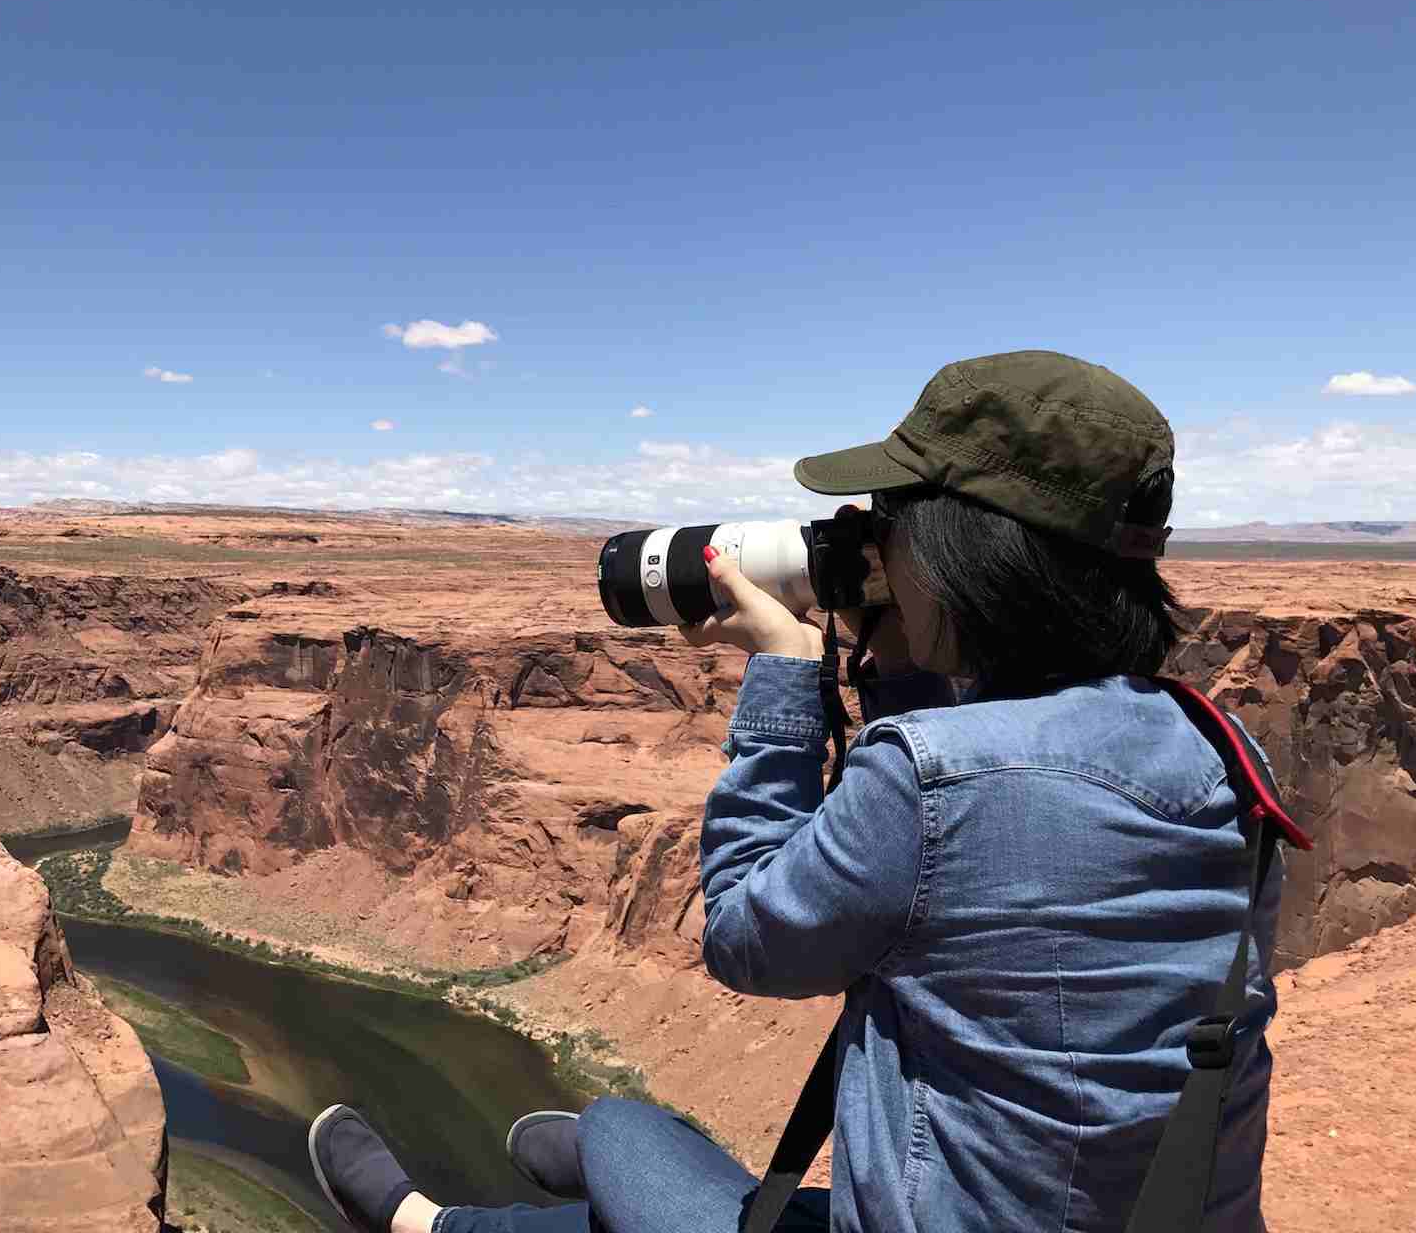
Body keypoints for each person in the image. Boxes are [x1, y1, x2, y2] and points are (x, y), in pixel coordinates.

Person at [306, 351, 1283, 1233]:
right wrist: (894, 658)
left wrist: (782, 667)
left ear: (962, 551)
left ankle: (422, 1224)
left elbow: (742, 934)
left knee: (622, 1132)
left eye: (897, 525)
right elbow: (984, 862)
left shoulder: (933, 785)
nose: (876, 550)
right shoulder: (1227, 754)